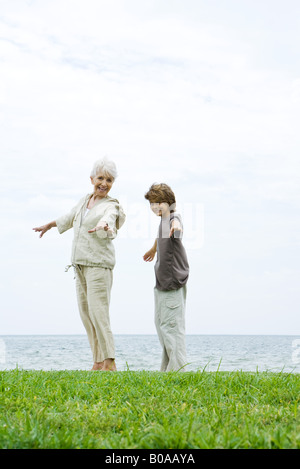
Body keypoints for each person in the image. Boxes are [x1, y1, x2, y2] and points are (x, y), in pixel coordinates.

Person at [33, 158, 125, 371]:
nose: (104, 183)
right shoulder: (85, 201)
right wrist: (50, 224)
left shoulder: (112, 205)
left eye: (109, 180)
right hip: (80, 265)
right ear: (92, 179)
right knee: (86, 314)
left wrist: (104, 225)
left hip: (99, 266)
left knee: (99, 312)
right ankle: (98, 361)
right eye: (100, 178)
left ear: (113, 183)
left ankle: (109, 362)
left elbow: (110, 219)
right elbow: (70, 216)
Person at [143, 183, 189, 372]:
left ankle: (178, 371)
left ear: (170, 203)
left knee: (171, 328)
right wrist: (153, 249)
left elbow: (176, 225)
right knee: (162, 326)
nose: (155, 207)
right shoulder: (162, 220)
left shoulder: (173, 217)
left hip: (172, 282)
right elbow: (160, 236)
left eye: (159, 202)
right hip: (161, 284)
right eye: (152, 203)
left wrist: (176, 229)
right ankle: (167, 368)